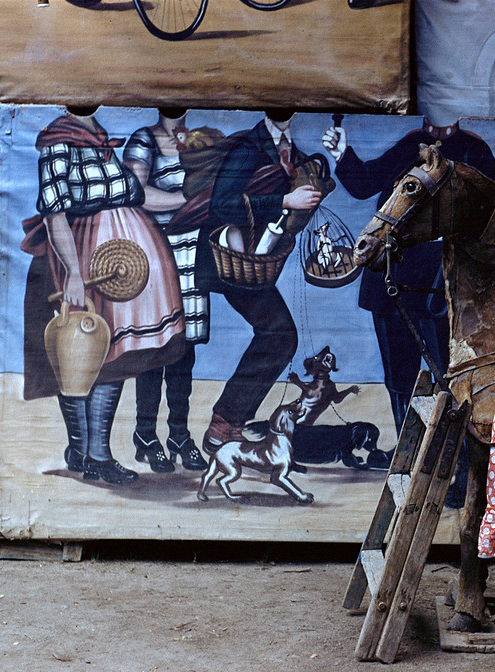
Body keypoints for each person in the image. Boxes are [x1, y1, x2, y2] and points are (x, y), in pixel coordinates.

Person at [20, 107, 186, 485]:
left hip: (123, 256)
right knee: (81, 351)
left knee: (114, 355)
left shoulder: (98, 132)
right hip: (85, 251)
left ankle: (90, 453)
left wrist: (187, 198)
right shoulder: (58, 138)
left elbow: (134, 194)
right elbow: (54, 211)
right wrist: (75, 272)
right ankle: (88, 452)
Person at [321, 118, 495, 432]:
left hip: (439, 283)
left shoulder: (474, 148)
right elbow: (365, 184)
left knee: (448, 376)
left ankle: (450, 456)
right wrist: (342, 154)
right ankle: (406, 452)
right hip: (390, 277)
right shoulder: (410, 142)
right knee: (398, 376)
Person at [196, 109, 325, 451]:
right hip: (229, 258)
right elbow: (222, 205)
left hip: (255, 255)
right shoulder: (248, 148)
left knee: (279, 335)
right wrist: (284, 200)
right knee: (279, 334)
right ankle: (223, 425)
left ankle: (228, 424)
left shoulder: (289, 149)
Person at [124, 108, 209, 473]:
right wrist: (190, 200)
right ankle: (145, 434)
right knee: (156, 348)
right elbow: (135, 193)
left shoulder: (197, 139)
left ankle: (178, 434)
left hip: (193, 252)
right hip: (158, 253)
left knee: (184, 350)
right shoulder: (144, 139)